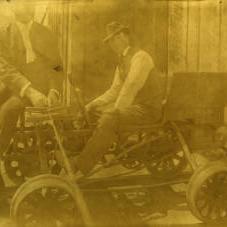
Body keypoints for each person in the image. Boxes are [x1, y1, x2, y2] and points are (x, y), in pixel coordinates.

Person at [73, 21, 165, 176]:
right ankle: (76, 152)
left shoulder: (140, 57)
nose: (111, 44)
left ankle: (80, 165)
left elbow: (131, 87)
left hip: (148, 109)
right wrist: (91, 105)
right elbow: (114, 90)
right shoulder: (122, 62)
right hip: (135, 109)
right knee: (93, 111)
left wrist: (114, 111)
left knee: (110, 116)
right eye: (109, 41)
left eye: (114, 39)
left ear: (123, 36)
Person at [0, 0, 63, 186]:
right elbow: (4, 69)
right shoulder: (3, 35)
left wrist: (53, 91)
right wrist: (29, 91)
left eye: (30, 4)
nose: (27, 8)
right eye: (22, 4)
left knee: (9, 111)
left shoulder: (46, 34)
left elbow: (57, 67)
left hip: (42, 89)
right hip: (18, 88)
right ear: (12, 7)